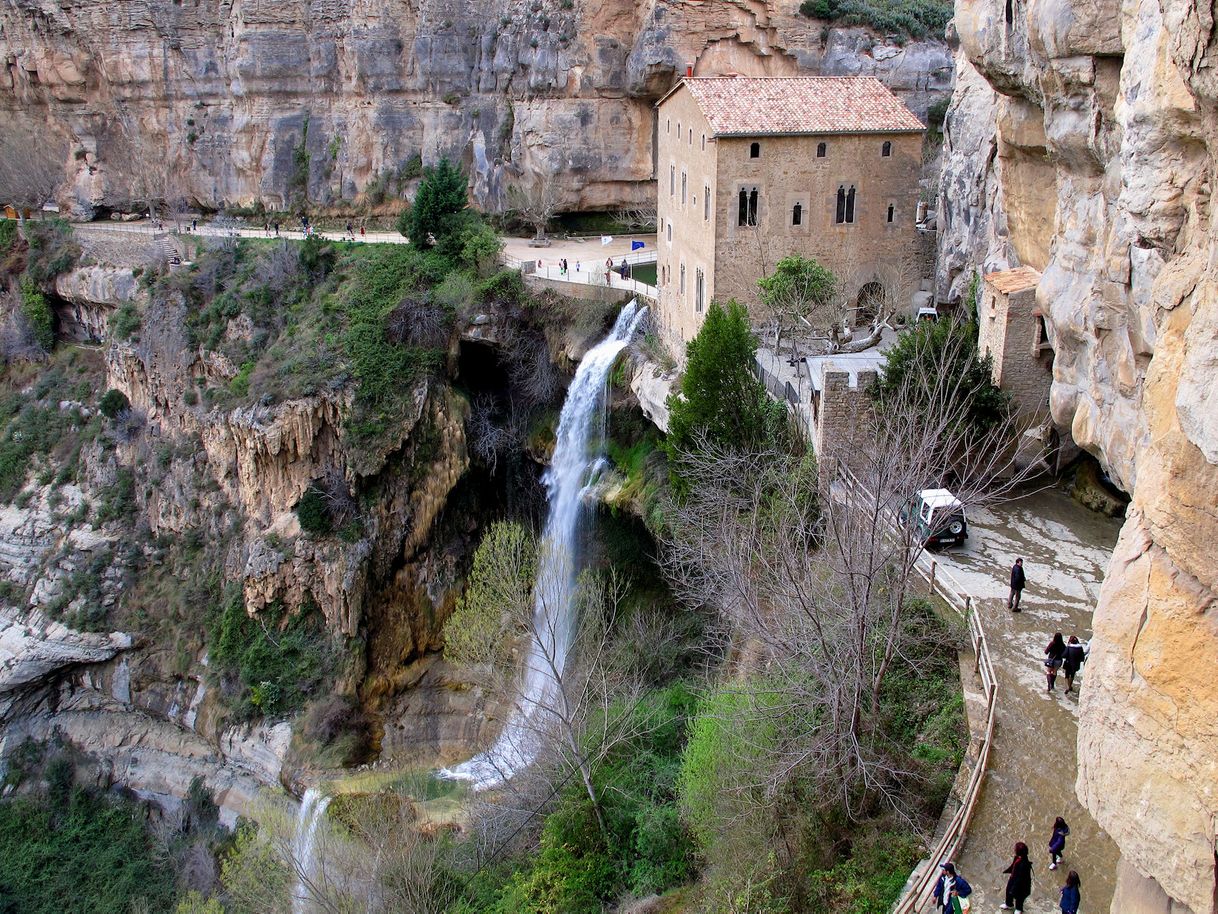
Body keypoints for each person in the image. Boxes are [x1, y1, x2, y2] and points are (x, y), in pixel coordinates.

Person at [1001, 841, 1033, 913]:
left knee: (1019, 897)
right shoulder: (1018, 857)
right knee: (1008, 891)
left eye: (1015, 849)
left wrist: (1014, 888)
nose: (1014, 849)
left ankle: (1019, 909)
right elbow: (1013, 866)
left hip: (1022, 884)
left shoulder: (1024, 864)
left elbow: (1020, 878)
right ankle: (1009, 904)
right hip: (1013, 879)